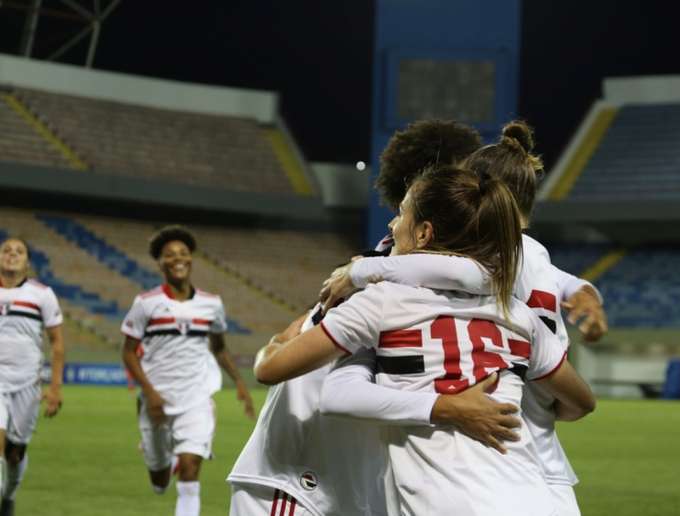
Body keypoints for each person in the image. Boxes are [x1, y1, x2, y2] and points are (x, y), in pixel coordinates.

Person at [254, 164, 596, 515]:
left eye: (402, 213)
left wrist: (282, 343)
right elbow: (581, 403)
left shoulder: (381, 302)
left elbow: (271, 371)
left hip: (449, 503)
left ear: (423, 233)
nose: (392, 225)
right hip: (533, 498)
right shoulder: (518, 315)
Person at [227, 120, 517, 516]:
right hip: (300, 482)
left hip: (350, 487)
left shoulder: (388, 273)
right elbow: (287, 366)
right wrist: (448, 408)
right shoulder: (379, 278)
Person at [121, 225, 255, 516]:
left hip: (196, 397)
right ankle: (162, 459)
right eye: (169, 255)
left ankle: (181, 461)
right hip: (156, 400)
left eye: (183, 253)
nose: (177, 259)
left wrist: (240, 384)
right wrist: (150, 393)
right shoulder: (145, 304)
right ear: (160, 263)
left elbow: (218, 348)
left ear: (191, 258)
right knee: (159, 481)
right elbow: (128, 353)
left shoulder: (211, 304)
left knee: (191, 469)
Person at [0, 237, 64, 516]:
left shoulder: (42, 294)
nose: (12, 254)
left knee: (16, 453)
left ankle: (9, 496)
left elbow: (57, 343)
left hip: (27, 383)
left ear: (27, 261)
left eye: (19, 251)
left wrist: (55, 388)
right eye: (6, 250)